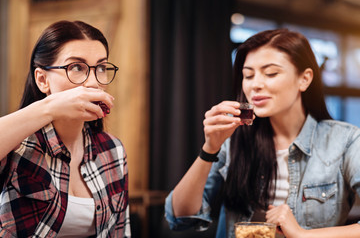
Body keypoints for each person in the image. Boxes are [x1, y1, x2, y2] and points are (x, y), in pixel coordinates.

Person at [164, 28, 360, 238]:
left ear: (304, 79)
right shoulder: (233, 141)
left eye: (271, 73)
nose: (255, 84)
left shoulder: (345, 141)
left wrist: (303, 235)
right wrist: (209, 149)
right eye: (248, 75)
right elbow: (179, 218)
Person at [0, 20, 131, 237]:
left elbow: (120, 232)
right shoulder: (18, 146)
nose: (92, 82)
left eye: (100, 68)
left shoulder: (113, 150)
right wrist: (51, 107)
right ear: (43, 80)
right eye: (77, 67)